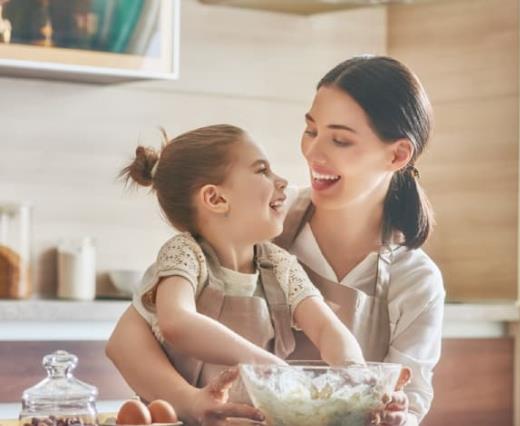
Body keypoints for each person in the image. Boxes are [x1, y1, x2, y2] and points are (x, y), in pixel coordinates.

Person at [107, 56, 445, 426]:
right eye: (311, 130)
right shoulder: (262, 221)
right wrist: (192, 402)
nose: (313, 154)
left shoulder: (416, 282)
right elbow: (128, 342)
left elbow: (408, 403)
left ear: (397, 154)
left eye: (341, 140)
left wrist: (392, 412)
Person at [115, 124, 365, 411]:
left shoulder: (280, 265)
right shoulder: (185, 254)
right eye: (262, 171)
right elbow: (177, 322)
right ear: (216, 199)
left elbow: (325, 329)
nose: (282, 181)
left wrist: (358, 378)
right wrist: (265, 364)